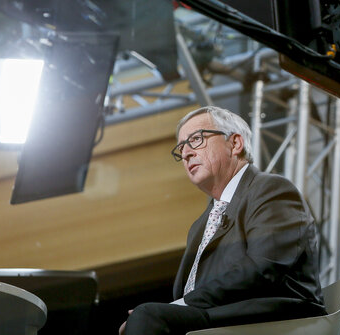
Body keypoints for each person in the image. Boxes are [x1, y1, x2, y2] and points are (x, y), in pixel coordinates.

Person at [120, 106, 326, 335]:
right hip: (217, 318)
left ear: (235, 144)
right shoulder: (200, 224)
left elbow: (263, 268)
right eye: (181, 148)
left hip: (271, 319)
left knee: (147, 315)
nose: (186, 153)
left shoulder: (271, 190)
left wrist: (174, 309)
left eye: (196, 139)